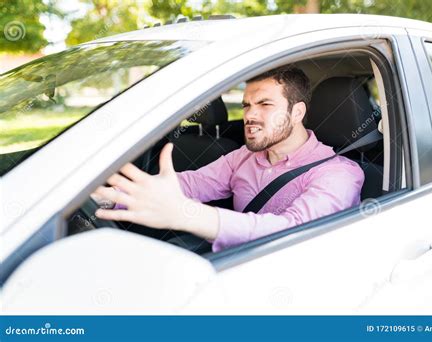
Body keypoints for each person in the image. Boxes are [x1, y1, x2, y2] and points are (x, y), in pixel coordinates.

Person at [93, 67, 364, 252]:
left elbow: (290, 232)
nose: (250, 115)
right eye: (247, 104)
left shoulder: (339, 175)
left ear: (297, 112)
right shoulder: (245, 156)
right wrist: (104, 195)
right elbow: (191, 184)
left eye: (265, 104)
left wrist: (185, 215)